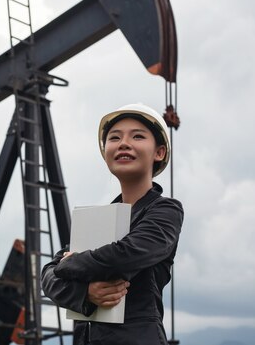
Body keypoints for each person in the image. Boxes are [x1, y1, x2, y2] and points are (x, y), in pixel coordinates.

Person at [41, 103, 184, 345]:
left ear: (159, 152)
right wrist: (84, 293)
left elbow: (124, 255)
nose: (123, 143)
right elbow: (48, 275)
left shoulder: (165, 210)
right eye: (114, 138)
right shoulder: (99, 220)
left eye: (137, 136)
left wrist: (70, 264)